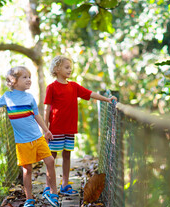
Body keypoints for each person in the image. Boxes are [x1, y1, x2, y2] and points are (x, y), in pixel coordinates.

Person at [0, 66, 59, 207]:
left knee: (50, 161)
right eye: (24, 77)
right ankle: (29, 199)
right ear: (13, 81)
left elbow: (37, 115)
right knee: (27, 170)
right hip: (23, 142)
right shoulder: (7, 97)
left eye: (29, 77)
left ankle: (53, 193)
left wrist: (46, 130)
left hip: (37, 137)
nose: (29, 80)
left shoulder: (30, 97)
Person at [44, 55, 117, 196]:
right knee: (51, 158)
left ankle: (65, 185)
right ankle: (49, 186)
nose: (69, 69)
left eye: (70, 67)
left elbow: (90, 94)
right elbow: (47, 109)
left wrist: (107, 99)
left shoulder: (74, 86)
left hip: (69, 129)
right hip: (54, 130)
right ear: (57, 69)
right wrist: (46, 129)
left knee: (67, 156)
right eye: (66, 67)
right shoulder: (51, 88)